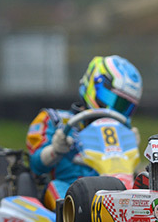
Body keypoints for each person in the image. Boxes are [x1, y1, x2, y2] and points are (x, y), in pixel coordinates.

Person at [26, 55, 143, 210]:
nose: (114, 110)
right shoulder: (54, 119)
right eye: (111, 99)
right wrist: (55, 150)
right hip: (67, 188)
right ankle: (81, 216)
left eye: (124, 106)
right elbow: (36, 166)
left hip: (112, 191)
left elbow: (126, 174)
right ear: (95, 85)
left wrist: (131, 152)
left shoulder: (123, 131)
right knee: (59, 189)